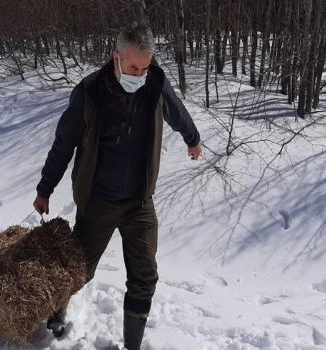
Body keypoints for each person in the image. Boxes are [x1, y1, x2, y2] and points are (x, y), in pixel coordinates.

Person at [33, 22, 202, 349]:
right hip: (98, 202)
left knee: (144, 278)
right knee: (77, 270)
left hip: (139, 202)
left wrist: (192, 139)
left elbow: (176, 112)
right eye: (134, 67)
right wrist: (45, 189)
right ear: (116, 58)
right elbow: (63, 145)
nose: (140, 74)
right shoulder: (90, 92)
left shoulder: (155, 83)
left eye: (145, 67)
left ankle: (132, 346)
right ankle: (56, 314)